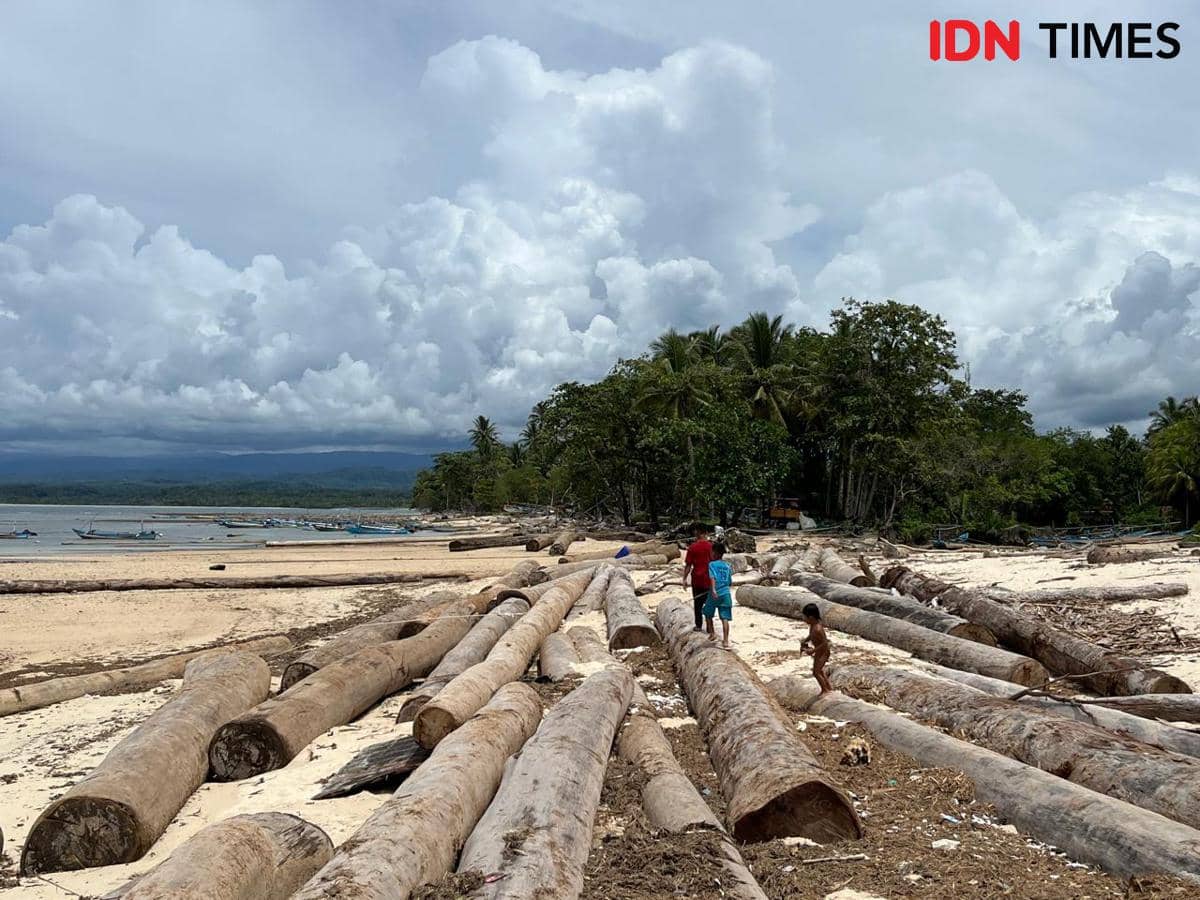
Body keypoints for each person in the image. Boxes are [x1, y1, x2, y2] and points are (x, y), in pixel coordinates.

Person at [681, 522, 714, 632]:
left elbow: (688, 565)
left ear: (696, 532)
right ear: (706, 533)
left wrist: (684, 579)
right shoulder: (712, 547)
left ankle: (699, 625)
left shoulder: (692, 548)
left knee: (698, 604)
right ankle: (710, 626)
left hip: (697, 580)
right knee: (709, 604)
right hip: (710, 579)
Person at [703, 542, 734, 649]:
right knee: (725, 617)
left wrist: (713, 590)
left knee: (707, 613)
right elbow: (730, 582)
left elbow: (712, 577)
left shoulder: (712, 564)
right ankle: (725, 641)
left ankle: (712, 634)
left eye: (711, 551)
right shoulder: (727, 566)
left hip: (715, 592)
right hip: (726, 593)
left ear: (715, 553)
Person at [800, 602, 832, 693]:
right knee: (819, 670)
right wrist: (805, 640)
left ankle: (825, 690)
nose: (804, 619)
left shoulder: (818, 628)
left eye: (805, 617)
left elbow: (824, 643)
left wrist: (813, 650)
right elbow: (811, 635)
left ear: (811, 618)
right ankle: (829, 687)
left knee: (816, 672)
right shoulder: (813, 626)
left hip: (823, 652)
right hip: (819, 652)